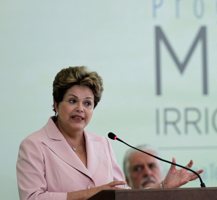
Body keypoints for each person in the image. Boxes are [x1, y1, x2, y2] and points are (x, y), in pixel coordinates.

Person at [16, 66, 204, 200]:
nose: (80, 109)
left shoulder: (102, 143)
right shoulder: (34, 145)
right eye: (73, 101)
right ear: (56, 104)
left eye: (88, 103)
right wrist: (93, 194)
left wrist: (162, 186)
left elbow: (122, 194)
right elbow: (32, 198)